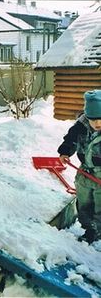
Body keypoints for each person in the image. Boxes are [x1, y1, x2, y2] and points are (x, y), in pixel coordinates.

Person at [58, 89, 101, 244]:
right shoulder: (80, 127)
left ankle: (97, 232)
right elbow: (70, 140)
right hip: (84, 173)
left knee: (99, 206)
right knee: (83, 203)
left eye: (100, 119)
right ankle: (89, 229)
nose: (97, 123)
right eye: (93, 119)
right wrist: (65, 152)